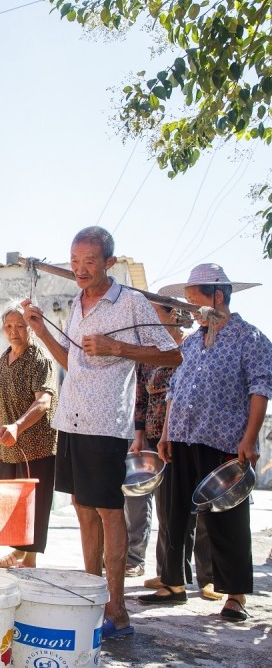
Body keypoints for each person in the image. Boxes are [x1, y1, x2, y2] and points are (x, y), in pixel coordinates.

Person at [22, 226, 181, 639]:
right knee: (81, 506)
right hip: (71, 420)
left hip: (105, 423)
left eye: (89, 262)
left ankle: (119, 611)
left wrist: (119, 349)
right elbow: (74, 364)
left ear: (109, 262)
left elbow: (174, 353)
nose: (80, 269)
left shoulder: (130, 302)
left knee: (109, 511)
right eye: (74, 262)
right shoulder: (76, 302)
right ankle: (93, 600)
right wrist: (41, 331)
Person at [138, 264, 270, 623]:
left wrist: (250, 439)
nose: (191, 309)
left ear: (218, 296)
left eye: (195, 300)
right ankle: (172, 583)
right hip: (181, 436)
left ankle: (235, 595)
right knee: (173, 513)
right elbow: (175, 391)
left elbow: (260, 389)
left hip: (223, 439)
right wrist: (165, 433)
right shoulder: (194, 341)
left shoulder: (250, 338)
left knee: (226, 518)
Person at [124, 302, 218, 598]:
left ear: (175, 317)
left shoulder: (192, 348)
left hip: (191, 436)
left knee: (201, 508)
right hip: (157, 438)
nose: (150, 320)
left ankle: (209, 577)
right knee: (168, 511)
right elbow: (140, 397)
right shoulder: (149, 355)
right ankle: (169, 572)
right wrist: (139, 436)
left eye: (157, 314)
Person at [0, 300, 58, 569]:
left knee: (34, 504)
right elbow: (1, 404)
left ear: (30, 327)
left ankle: (29, 558)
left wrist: (18, 426)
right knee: (12, 502)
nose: (14, 331)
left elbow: (43, 402)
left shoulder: (39, 359)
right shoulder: (3, 359)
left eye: (20, 325)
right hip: (9, 444)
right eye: (8, 325)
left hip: (37, 444)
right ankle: (18, 551)